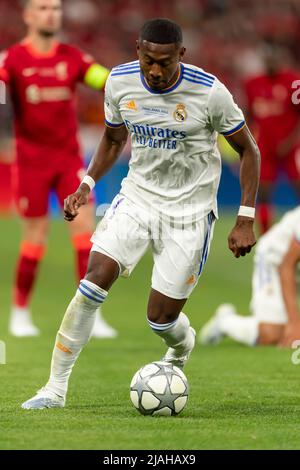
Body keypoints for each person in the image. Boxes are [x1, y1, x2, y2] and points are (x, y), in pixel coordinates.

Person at [21, 17, 260, 410]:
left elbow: (250, 149)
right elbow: (114, 138)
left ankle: (180, 348)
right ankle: (54, 388)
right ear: (138, 50)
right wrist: (87, 184)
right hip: (138, 199)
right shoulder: (120, 81)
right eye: (149, 59)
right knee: (94, 279)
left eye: (165, 62)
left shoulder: (209, 92)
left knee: (161, 320)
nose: (155, 70)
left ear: (181, 55)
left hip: (190, 212)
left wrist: (245, 218)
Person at [0, 0, 117, 338]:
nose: (51, 13)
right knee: (35, 239)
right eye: (43, 8)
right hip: (31, 162)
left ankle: (88, 316)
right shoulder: (13, 60)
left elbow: (104, 80)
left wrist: (127, 83)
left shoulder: (73, 57)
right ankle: (20, 313)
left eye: (55, 7)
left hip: (69, 161)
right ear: (28, 15)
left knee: (85, 236)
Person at [200, 206, 300, 348]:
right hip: (275, 260)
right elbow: (286, 267)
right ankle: (225, 322)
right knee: (272, 334)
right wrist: (294, 324)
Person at [244, 43, 300, 234]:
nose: (271, 62)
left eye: (274, 58)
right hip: (265, 147)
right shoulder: (252, 84)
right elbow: (248, 116)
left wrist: (292, 140)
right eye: (268, 59)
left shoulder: (294, 82)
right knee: (264, 194)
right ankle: (266, 235)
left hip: (292, 146)